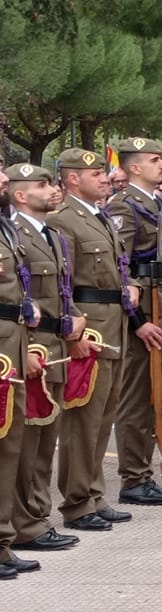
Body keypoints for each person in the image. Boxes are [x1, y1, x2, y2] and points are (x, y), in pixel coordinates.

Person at [48, 148, 142, 532]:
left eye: (105, 174)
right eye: (97, 175)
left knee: (104, 416)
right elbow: (61, 281)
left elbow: (118, 267)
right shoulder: (63, 221)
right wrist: (71, 334)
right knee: (83, 420)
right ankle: (77, 502)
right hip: (90, 326)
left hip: (114, 323)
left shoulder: (99, 215)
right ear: (73, 179)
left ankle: (94, 493)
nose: (106, 178)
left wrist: (132, 285)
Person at [9, 163, 89, 557]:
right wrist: (26, 348)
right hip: (32, 348)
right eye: (41, 185)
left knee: (46, 440)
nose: (51, 189)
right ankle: (25, 522)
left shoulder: (54, 235)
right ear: (21, 195)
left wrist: (75, 318)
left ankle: (37, 517)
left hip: (56, 346)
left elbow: (61, 288)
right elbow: (19, 299)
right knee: (25, 442)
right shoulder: (17, 235)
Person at [107, 136, 162, 507]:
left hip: (160, 303)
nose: (161, 165)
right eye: (153, 159)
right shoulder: (126, 206)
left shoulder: (155, 202)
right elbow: (122, 269)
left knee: (155, 395)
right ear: (134, 167)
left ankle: (144, 470)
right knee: (136, 396)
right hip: (142, 311)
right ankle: (133, 476)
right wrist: (136, 322)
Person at [0, 165, 40, 578]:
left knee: (10, 445)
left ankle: (3, 540)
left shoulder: (6, 229)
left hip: (13, 343)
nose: (3, 181)